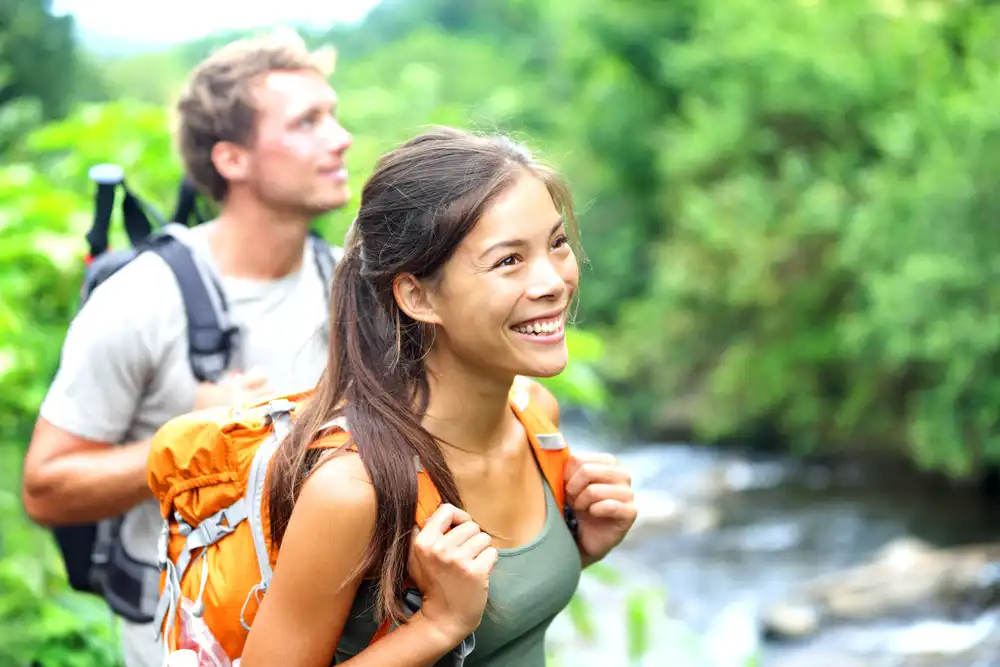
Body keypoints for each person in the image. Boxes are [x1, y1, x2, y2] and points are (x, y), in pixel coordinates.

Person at [238, 126, 638, 667]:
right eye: (508, 261)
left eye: (557, 243)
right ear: (417, 296)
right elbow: (459, 621)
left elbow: (504, 621)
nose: (553, 281)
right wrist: (439, 624)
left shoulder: (535, 417)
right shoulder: (353, 491)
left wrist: (578, 546)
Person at [20, 29, 353, 667]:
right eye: (307, 122)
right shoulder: (142, 299)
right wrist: (202, 438)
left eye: (333, 116)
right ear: (232, 159)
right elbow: (46, 489)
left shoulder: (352, 287)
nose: (340, 138)